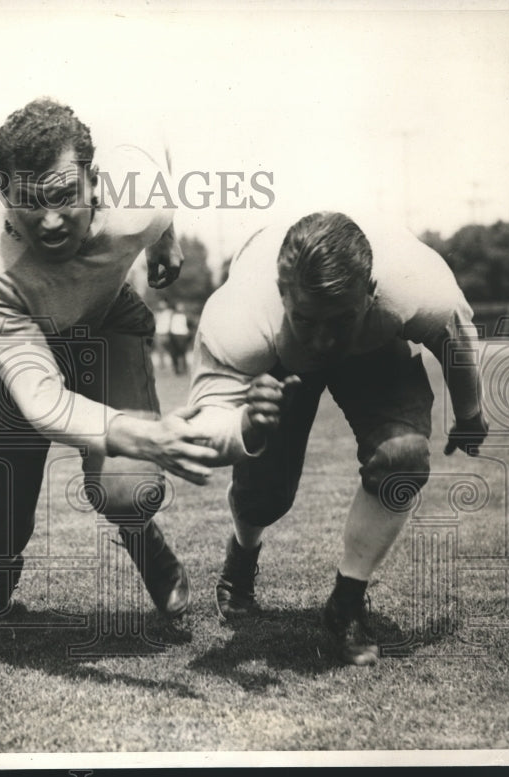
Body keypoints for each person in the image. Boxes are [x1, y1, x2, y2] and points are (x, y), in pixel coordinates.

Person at [0, 98, 287, 629]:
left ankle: (142, 539)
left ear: (95, 182)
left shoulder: (139, 202)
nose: (51, 221)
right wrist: (144, 435)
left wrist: (165, 239)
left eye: (64, 197)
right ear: (4, 193)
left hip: (103, 322)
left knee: (129, 486)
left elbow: (160, 166)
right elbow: (43, 401)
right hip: (6, 346)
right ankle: (4, 566)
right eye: (30, 203)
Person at [188, 211, 487, 665]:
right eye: (308, 320)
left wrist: (469, 413)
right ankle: (243, 557)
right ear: (281, 293)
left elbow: (457, 343)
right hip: (281, 356)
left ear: (370, 292)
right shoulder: (241, 317)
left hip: (375, 343)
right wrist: (244, 424)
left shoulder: (417, 286)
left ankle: (345, 603)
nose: (324, 341)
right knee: (264, 498)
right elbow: (203, 430)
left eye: (339, 320)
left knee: (402, 457)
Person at [166, 301, 192, 376]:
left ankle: (184, 369)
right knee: (174, 353)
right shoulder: (172, 316)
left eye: (181, 306)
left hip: (183, 335)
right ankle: (176, 369)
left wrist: (188, 334)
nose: (180, 308)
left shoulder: (186, 316)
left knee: (183, 353)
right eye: (178, 306)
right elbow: (169, 326)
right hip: (174, 335)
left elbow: (190, 326)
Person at [153, 298, 172, 369]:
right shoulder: (156, 313)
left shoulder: (170, 312)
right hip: (158, 333)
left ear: (166, 304)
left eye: (163, 303)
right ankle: (162, 366)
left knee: (170, 350)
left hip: (167, 333)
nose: (161, 305)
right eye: (160, 303)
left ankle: (173, 365)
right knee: (160, 351)